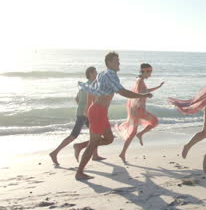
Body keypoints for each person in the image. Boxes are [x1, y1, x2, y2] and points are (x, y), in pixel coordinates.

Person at [74, 51, 153, 180]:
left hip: (101, 111)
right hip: (98, 112)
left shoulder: (103, 74)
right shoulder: (110, 76)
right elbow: (123, 92)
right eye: (117, 61)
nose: (119, 63)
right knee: (93, 143)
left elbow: (92, 89)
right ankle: (79, 172)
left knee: (109, 139)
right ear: (109, 62)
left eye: (118, 60)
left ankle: (80, 146)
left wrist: (89, 106)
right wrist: (142, 95)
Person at [49, 66, 104, 165]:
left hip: (82, 113)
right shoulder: (93, 85)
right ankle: (54, 153)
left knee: (95, 134)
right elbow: (94, 100)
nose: (97, 74)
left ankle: (95, 155)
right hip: (85, 114)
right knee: (74, 135)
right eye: (95, 72)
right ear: (91, 74)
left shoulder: (84, 85)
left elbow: (77, 99)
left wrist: (82, 108)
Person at [115, 63, 164, 163]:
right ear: (144, 71)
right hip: (138, 110)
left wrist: (157, 87)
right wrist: (146, 95)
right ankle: (140, 134)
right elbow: (138, 93)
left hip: (136, 110)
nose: (150, 74)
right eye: (149, 72)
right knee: (154, 121)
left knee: (132, 133)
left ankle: (123, 153)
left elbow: (145, 90)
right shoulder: (140, 80)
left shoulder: (139, 80)